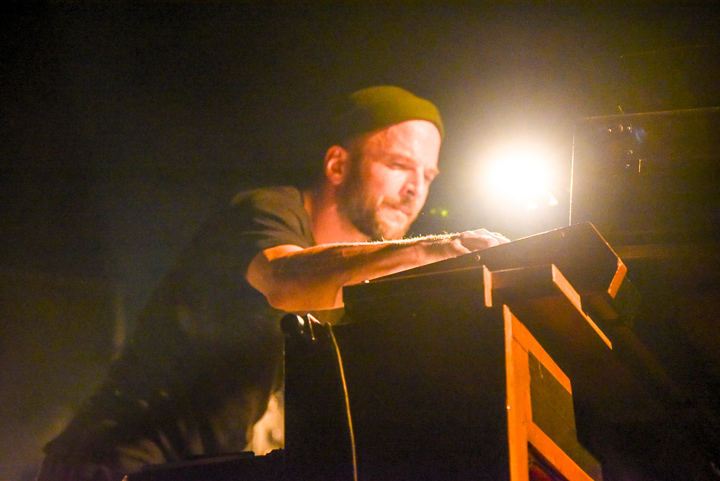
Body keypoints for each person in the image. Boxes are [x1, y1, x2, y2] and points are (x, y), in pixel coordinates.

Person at [37, 85, 508, 481]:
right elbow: (284, 281)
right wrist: (438, 250)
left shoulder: (362, 277)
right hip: (117, 460)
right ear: (337, 165)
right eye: (399, 165)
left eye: (428, 176)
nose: (415, 190)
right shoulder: (269, 210)